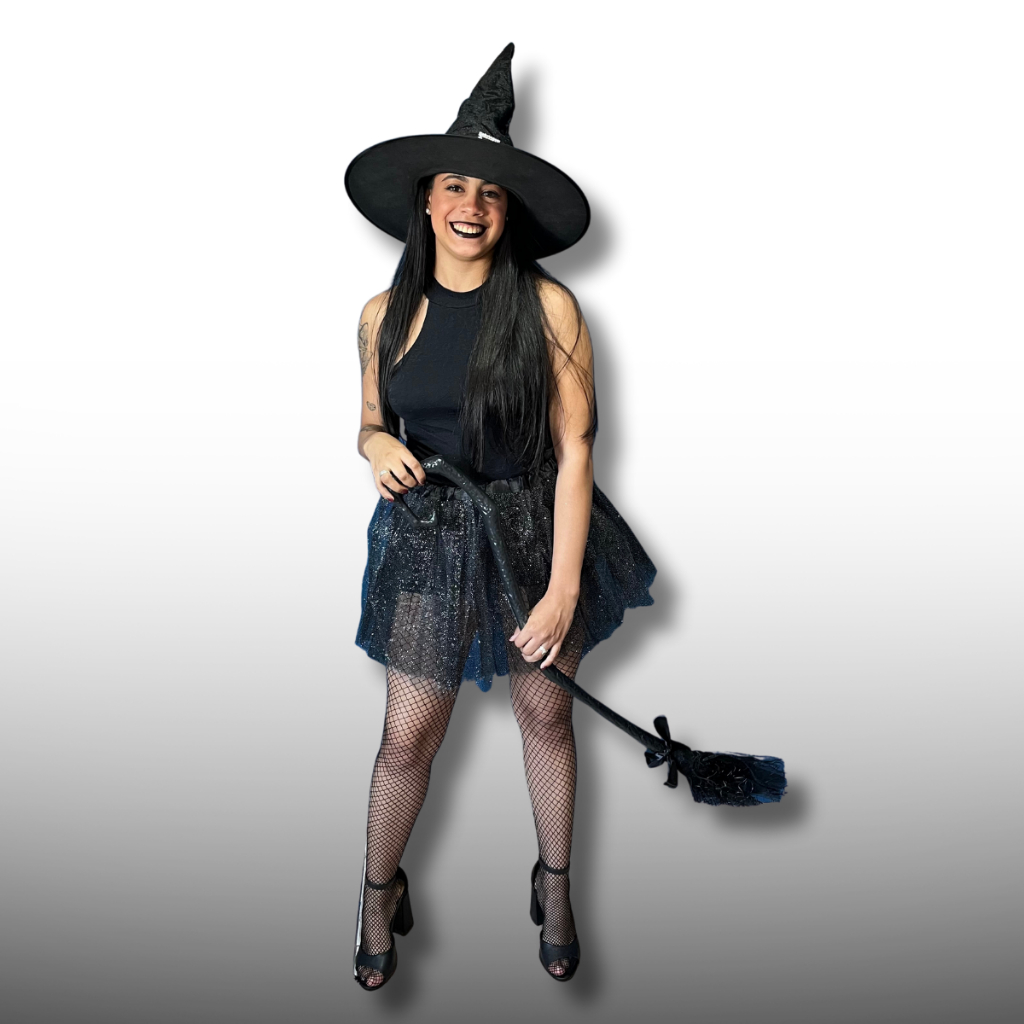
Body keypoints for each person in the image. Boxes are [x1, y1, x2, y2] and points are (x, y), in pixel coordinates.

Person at [345, 43, 657, 990]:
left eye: (489, 192)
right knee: (407, 737)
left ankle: (555, 888)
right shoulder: (380, 314)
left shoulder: (551, 309)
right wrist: (373, 444)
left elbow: (577, 452)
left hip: (532, 531)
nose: (471, 206)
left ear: (507, 210)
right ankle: (376, 891)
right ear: (426, 202)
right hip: (429, 540)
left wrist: (562, 590)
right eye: (454, 186)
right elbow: (369, 419)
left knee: (546, 718)